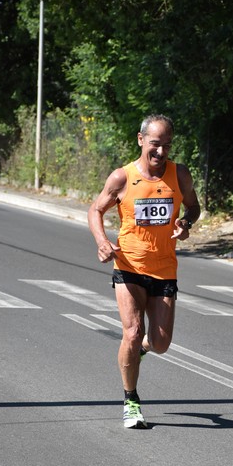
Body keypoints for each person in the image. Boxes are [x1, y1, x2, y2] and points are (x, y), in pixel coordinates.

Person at [88, 114, 201, 428]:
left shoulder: (180, 175)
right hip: (128, 265)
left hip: (164, 269)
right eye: (155, 144)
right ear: (141, 140)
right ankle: (131, 400)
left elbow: (194, 206)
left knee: (161, 343)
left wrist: (186, 222)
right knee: (133, 332)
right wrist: (102, 241)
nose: (161, 152)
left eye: (166, 145)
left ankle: (140, 351)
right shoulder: (122, 178)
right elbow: (96, 209)